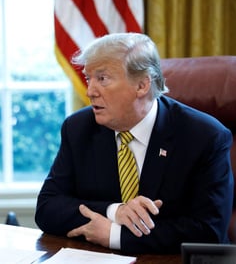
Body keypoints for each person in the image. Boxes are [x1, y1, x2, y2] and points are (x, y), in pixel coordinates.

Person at [35, 33, 234, 254]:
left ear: (142, 85)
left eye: (102, 79)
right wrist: (114, 211)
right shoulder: (79, 128)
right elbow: (47, 208)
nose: (90, 91)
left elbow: (209, 231)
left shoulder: (204, 136)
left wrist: (114, 234)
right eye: (89, 78)